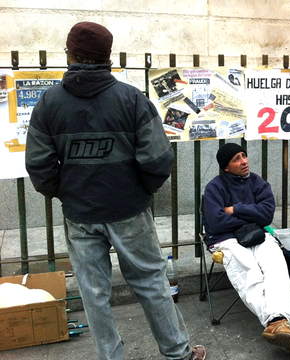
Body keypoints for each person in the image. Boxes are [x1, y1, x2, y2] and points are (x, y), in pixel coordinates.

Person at [24, 22, 205, 360]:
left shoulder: (49, 103)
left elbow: (39, 166)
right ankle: (179, 354)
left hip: (80, 214)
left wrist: (66, 193)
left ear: (71, 54)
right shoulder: (130, 99)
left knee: (93, 293)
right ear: (107, 57)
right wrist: (139, 191)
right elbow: (159, 159)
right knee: (151, 283)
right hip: (129, 210)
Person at [202, 143, 290, 356]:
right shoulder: (215, 187)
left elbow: (266, 214)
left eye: (244, 156)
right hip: (226, 239)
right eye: (236, 159)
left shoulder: (258, 182)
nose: (244, 161)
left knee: (276, 264)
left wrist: (236, 209)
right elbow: (215, 222)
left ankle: (278, 325)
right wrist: (251, 214)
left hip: (257, 234)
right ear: (226, 168)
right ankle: (280, 323)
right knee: (250, 270)